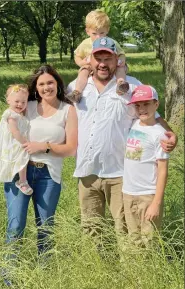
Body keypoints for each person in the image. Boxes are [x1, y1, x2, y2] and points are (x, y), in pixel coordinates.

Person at [67, 36, 177, 243]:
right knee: (91, 229)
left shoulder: (131, 86)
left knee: (125, 230)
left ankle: (129, 271)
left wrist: (171, 134)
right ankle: (96, 267)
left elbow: (152, 114)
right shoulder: (76, 88)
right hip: (87, 172)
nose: (102, 64)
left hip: (119, 174)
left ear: (117, 60)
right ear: (90, 60)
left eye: (107, 59)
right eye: (97, 58)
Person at [3, 65, 78, 260]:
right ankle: (8, 275)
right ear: (35, 87)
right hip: (20, 172)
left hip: (49, 175)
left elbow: (71, 149)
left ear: (57, 84)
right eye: (42, 84)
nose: (46, 87)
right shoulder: (26, 105)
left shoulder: (67, 110)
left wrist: (44, 146)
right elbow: (7, 124)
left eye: (50, 82)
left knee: (45, 227)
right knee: (16, 225)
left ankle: (44, 273)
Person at [122, 85, 169, 247]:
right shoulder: (133, 124)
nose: (142, 109)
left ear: (156, 105)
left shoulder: (159, 134)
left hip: (148, 195)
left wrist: (156, 203)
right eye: (138, 105)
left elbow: (163, 170)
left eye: (146, 104)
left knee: (149, 240)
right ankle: (135, 272)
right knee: (133, 240)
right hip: (128, 192)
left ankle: (152, 272)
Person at [67, 9, 129, 103]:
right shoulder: (85, 43)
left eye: (102, 33)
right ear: (87, 31)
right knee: (83, 71)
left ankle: (121, 84)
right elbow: (77, 55)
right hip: (90, 66)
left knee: (121, 67)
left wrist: (121, 61)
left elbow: (121, 54)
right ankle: (77, 92)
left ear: (107, 30)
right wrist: (81, 63)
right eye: (94, 34)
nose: (98, 37)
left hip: (112, 66)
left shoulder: (112, 42)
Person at [0, 84, 33, 195]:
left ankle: (21, 180)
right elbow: (14, 131)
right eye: (17, 101)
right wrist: (25, 143)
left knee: (22, 158)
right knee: (22, 155)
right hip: (12, 142)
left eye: (23, 102)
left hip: (16, 141)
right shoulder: (11, 115)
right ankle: (22, 181)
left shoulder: (19, 114)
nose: (20, 104)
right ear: (8, 100)